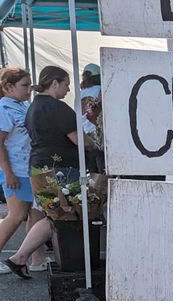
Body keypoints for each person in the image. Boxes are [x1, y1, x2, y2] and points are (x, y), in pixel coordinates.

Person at [4, 66, 81, 279]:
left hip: (37, 167)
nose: (67, 89)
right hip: (56, 169)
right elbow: (78, 140)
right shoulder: (57, 108)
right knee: (58, 214)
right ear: (54, 83)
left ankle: (28, 259)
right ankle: (20, 257)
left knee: (43, 214)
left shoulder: (32, 107)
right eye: (66, 84)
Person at [0, 67, 34, 274]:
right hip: (15, 169)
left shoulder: (22, 105)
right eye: (25, 85)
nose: (29, 89)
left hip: (28, 168)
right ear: (8, 87)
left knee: (35, 214)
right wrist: (8, 172)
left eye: (29, 85)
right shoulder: (4, 109)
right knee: (17, 215)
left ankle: (34, 259)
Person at [79, 62, 104, 173]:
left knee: (91, 172)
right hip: (99, 136)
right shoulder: (102, 90)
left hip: (84, 135)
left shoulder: (80, 93)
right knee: (102, 171)